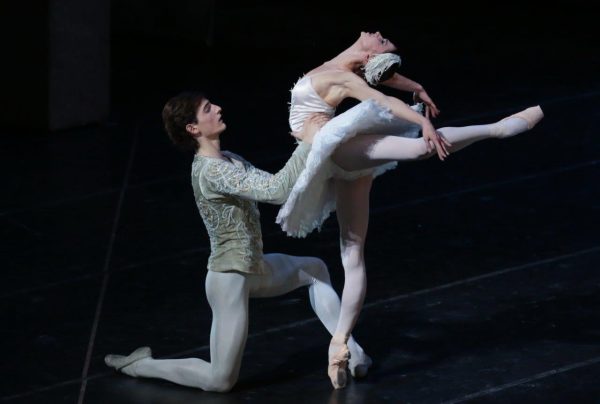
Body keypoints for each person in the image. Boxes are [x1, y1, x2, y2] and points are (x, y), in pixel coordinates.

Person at [276, 31, 544, 389]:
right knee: (351, 254)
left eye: (383, 42)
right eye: (385, 41)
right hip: (336, 157)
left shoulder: (341, 76)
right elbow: (384, 78)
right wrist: (415, 86)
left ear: (370, 55)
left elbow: (382, 98)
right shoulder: (345, 67)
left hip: (338, 149)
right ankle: (344, 347)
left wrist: (422, 120)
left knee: (419, 151)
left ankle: (497, 129)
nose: (381, 36)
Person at [104, 91, 372, 392]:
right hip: (229, 278)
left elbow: (277, 183)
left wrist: (312, 147)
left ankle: (351, 353)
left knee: (315, 270)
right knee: (220, 380)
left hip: (254, 268)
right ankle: (141, 365)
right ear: (193, 128)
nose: (217, 108)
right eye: (208, 109)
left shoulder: (229, 159)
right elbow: (276, 191)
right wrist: (310, 142)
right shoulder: (212, 170)